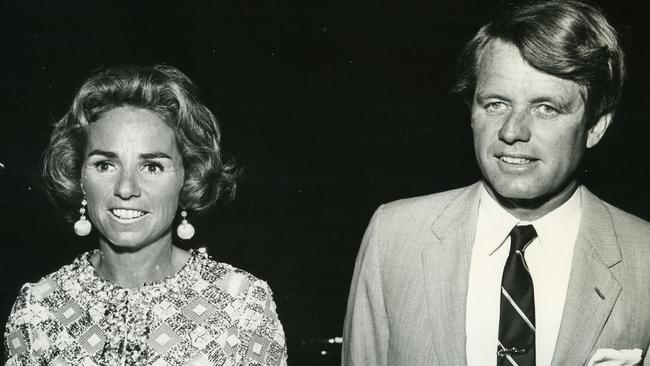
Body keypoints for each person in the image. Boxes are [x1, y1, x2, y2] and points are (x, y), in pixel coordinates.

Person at [343, 1, 650, 365]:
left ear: (596, 125)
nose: (511, 131)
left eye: (546, 108)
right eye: (495, 104)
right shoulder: (393, 237)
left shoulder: (642, 258)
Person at [3, 65, 287, 365]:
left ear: (187, 177)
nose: (126, 188)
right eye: (105, 165)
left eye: (152, 166)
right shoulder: (39, 307)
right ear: (78, 176)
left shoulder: (240, 305)